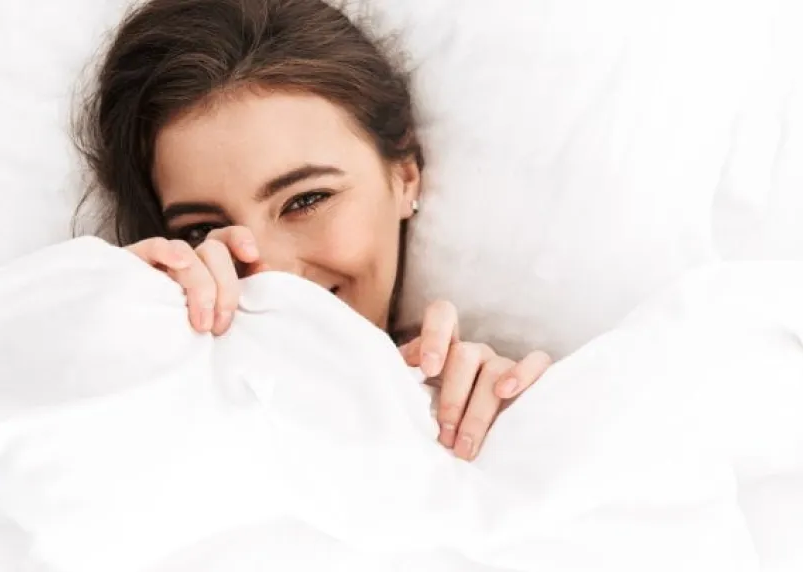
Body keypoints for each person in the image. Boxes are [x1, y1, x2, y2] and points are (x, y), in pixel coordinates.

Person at [75, 0, 552, 460]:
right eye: (203, 230)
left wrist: (513, 430)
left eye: (305, 200)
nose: (267, 271)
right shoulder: (116, 375)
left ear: (405, 176)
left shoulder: (476, 408)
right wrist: (104, 340)